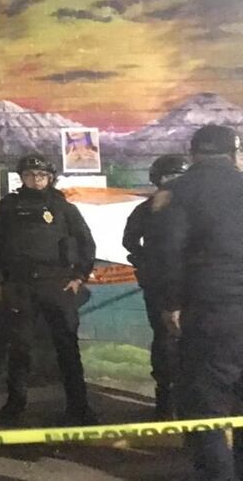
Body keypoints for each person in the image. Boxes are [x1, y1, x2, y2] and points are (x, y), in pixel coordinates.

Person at [156, 124, 243, 479]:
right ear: (234, 153)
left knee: (204, 405)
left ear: (193, 154)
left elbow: (169, 254)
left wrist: (170, 304)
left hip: (210, 311)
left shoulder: (178, 192)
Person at [0, 153, 97, 427]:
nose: (35, 180)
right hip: (20, 285)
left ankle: (79, 407)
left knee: (67, 347)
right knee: (19, 348)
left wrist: (79, 275)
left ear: (50, 178)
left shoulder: (63, 208)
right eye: (29, 175)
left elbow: (86, 243)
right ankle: (14, 405)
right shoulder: (7, 207)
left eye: (41, 176)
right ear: (21, 177)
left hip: (56, 283)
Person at [121, 154, 187, 419]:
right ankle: (167, 402)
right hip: (161, 286)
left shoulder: (195, 207)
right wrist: (145, 262)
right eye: (168, 178)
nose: (172, 183)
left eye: (177, 178)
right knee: (166, 341)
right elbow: (129, 241)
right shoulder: (148, 208)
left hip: (193, 285)